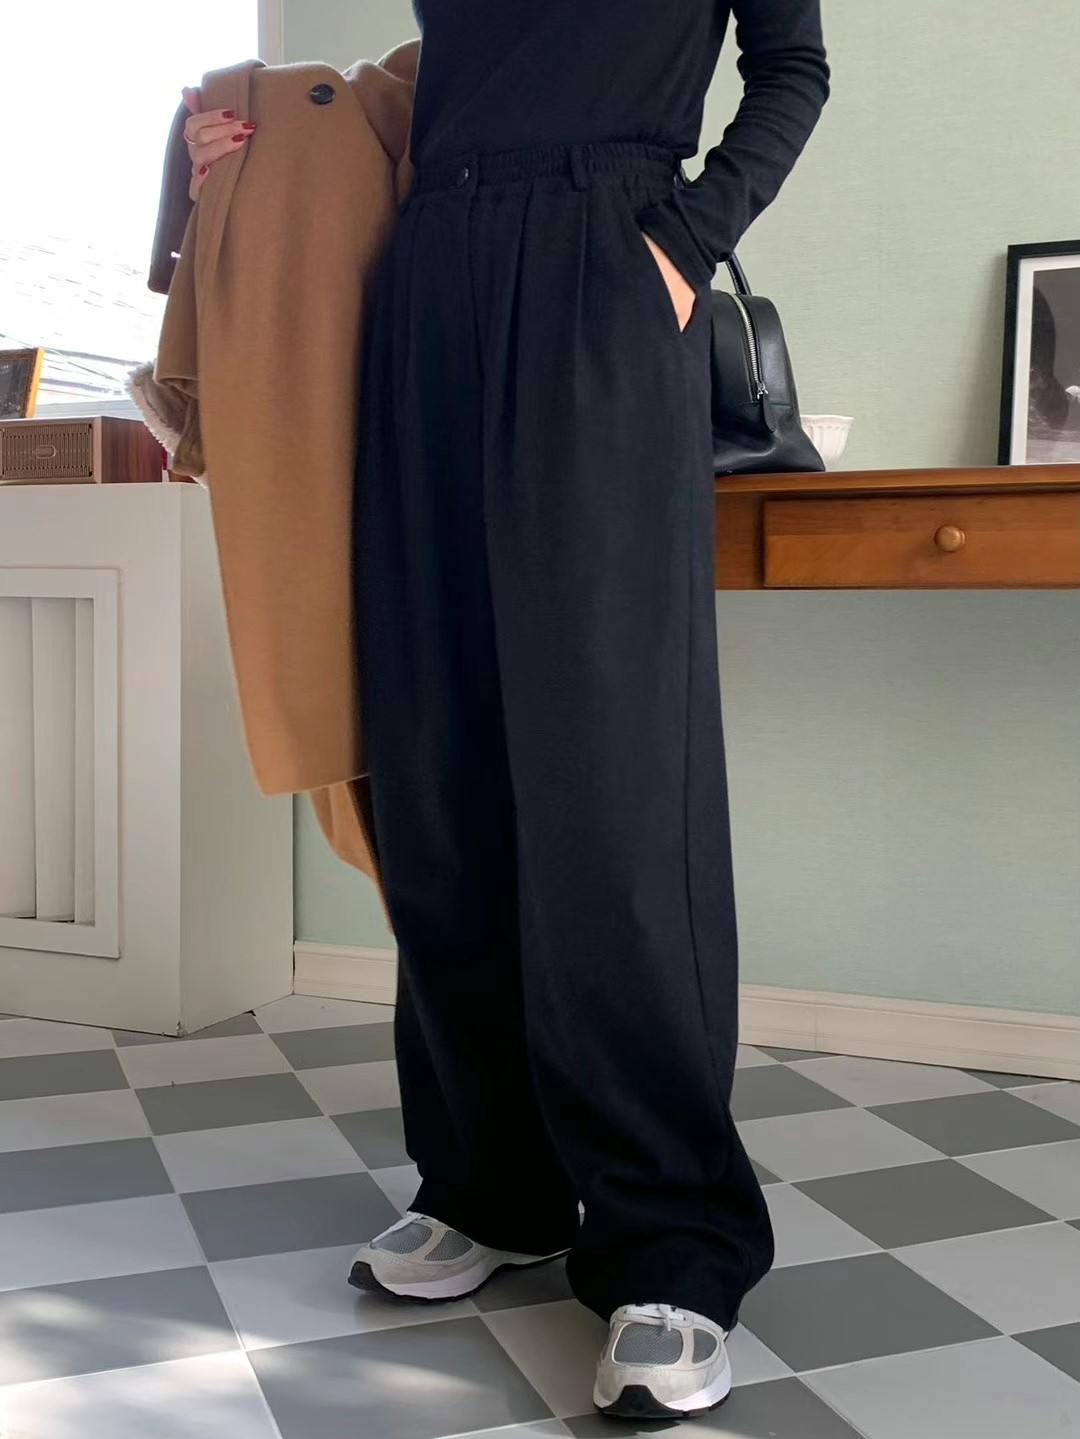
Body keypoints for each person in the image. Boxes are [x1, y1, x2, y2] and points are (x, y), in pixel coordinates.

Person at [184, 0, 828, 1420]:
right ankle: (493, 1186)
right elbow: (428, 91)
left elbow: (794, 65)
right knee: (437, 764)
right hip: (428, 277)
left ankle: (672, 1244)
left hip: (608, 260)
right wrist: (241, 151)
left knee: (609, 782)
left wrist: (687, 238)